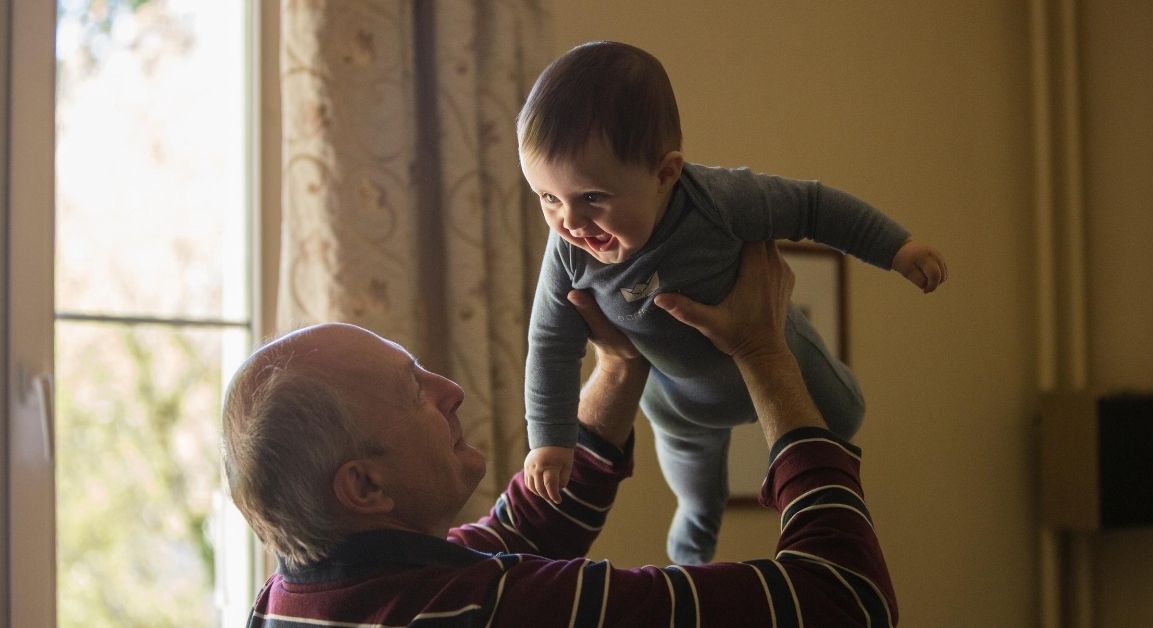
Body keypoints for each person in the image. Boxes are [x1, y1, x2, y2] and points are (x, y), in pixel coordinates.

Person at [222, 242, 897, 627]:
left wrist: (621, 364)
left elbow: (522, 530)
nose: (450, 392)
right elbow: (844, 600)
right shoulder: (487, 612)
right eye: (414, 391)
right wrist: (764, 350)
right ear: (364, 485)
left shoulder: (299, 600)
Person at [520, 40, 948, 564]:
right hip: (680, 404)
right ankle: (690, 564)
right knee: (699, 498)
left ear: (664, 174)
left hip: (779, 351)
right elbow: (550, 343)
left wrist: (896, 248)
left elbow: (813, 207)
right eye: (547, 198)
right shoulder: (568, 252)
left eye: (592, 198)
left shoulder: (719, 201)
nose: (570, 222)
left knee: (845, 417)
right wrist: (549, 439)